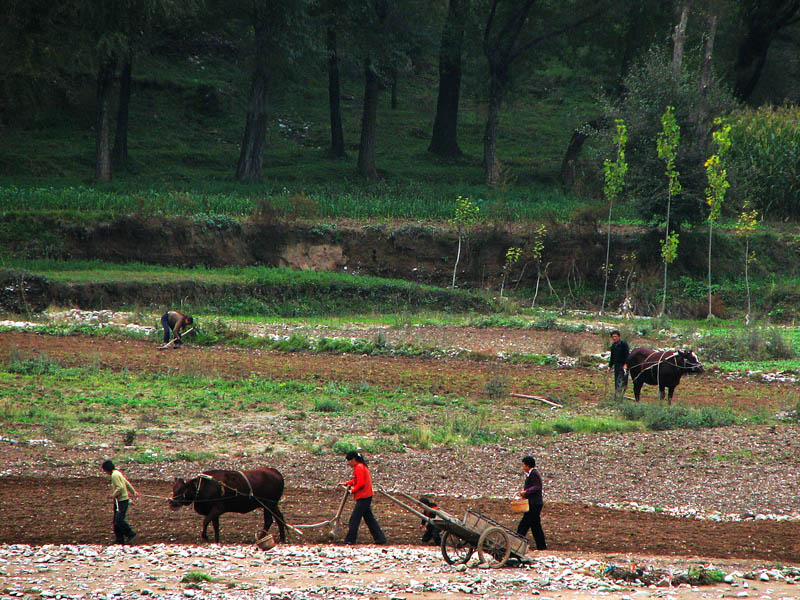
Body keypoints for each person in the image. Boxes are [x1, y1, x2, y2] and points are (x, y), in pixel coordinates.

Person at [338, 451, 386, 545]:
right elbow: (356, 480)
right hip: (366, 496)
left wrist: (353, 490)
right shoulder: (361, 466)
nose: (348, 463)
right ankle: (380, 538)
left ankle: (350, 540)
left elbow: (360, 483)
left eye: (349, 460)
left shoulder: (359, 467)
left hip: (364, 496)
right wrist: (347, 483)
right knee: (369, 519)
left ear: (354, 459)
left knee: (354, 519)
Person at [101, 459, 137, 545]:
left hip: (122, 500)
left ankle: (130, 533)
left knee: (119, 520)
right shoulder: (118, 473)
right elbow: (126, 483)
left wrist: (113, 495)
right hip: (120, 500)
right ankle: (119, 539)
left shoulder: (114, 475)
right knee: (116, 521)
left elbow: (120, 487)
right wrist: (133, 491)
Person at [516, 455, 547, 550]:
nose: (523, 467)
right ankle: (542, 547)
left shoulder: (534, 474)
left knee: (524, 524)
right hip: (535, 503)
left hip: (534, 504)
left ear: (527, 465)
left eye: (523, 465)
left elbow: (537, 487)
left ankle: (516, 543)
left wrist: (526, 492)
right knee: (535, 526)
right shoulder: (532, 473)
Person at [609, 330, 630, 400]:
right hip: (616, 366)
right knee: (616, 381)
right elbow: (612, 357)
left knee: (621, 380)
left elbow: (627, 355)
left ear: (619, 337)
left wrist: (626, 364)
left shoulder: (624, 344)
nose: (614, 338)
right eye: (613, 337)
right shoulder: (613, 346)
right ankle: (617, 396)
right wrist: (610, 366)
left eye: (615, 336)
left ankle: (620, 396)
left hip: (623, 366)